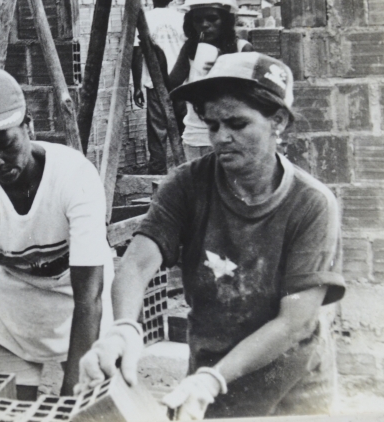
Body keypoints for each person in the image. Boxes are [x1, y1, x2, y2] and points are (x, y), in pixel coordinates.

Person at [75, 53, 345, 419]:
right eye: (213, 125)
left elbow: (293, 322)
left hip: (292, 388)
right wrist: (123, 328)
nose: (222, 138)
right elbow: (137, 264)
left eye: (237, 124)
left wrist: (213, 380)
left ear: (277, 120)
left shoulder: (311, 205)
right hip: (210, 374)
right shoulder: (187, 186)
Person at [0, 70, 112, 400]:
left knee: (88, 406)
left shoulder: (74, 175)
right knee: (6, 411)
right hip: (9, 313)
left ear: (28, 126)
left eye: (6, 145)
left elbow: (89, 295)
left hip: (77, 306)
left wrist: (72, 395)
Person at [167, 0, 253, 161]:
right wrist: (158, 59)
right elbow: (172, 84)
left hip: (229, 136)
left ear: (226, 21)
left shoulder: (242, 48)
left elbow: (251, 98)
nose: (204, 24)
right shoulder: (190, 49)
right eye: (198, 20)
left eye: (212, 18)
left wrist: (225, 65)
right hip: (194, 136)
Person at [132, 0, 185, 174]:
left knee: (157, 134)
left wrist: (137, 86)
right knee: (183, 131)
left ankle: (157, 177)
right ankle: (186, 174)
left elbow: (137, 54)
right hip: (182, 84)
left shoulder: (146, 19)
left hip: (155, 84)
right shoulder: (181, 19)